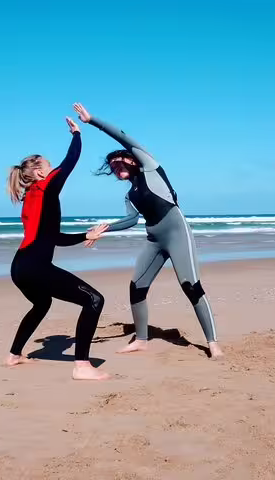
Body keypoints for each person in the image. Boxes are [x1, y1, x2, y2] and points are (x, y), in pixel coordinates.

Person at [73, 103, 223, 359]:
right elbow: (131, 220)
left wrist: (92, 121)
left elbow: (123, 137)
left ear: (132, 160)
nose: (115, 165)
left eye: (119, 160)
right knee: (137, 286)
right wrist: (104, 228)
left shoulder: (151, 168)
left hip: (176, 232)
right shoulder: (130, 195)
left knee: (191, 286)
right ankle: (141, 339)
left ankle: (213, 343)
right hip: (154, 238)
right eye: (111, 164)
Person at [5, 116, 111, 380]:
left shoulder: (33, 198)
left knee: (41, 304)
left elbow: (52, 238)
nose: (53, 171)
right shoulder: (44, 189)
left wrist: (86, 234)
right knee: (94, 300)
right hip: (35, 267)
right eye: (48, 167)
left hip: (20, 267)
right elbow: (70, 163)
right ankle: (82, 367)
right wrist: (77, 134)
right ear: (41, 173)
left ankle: (14, 355)